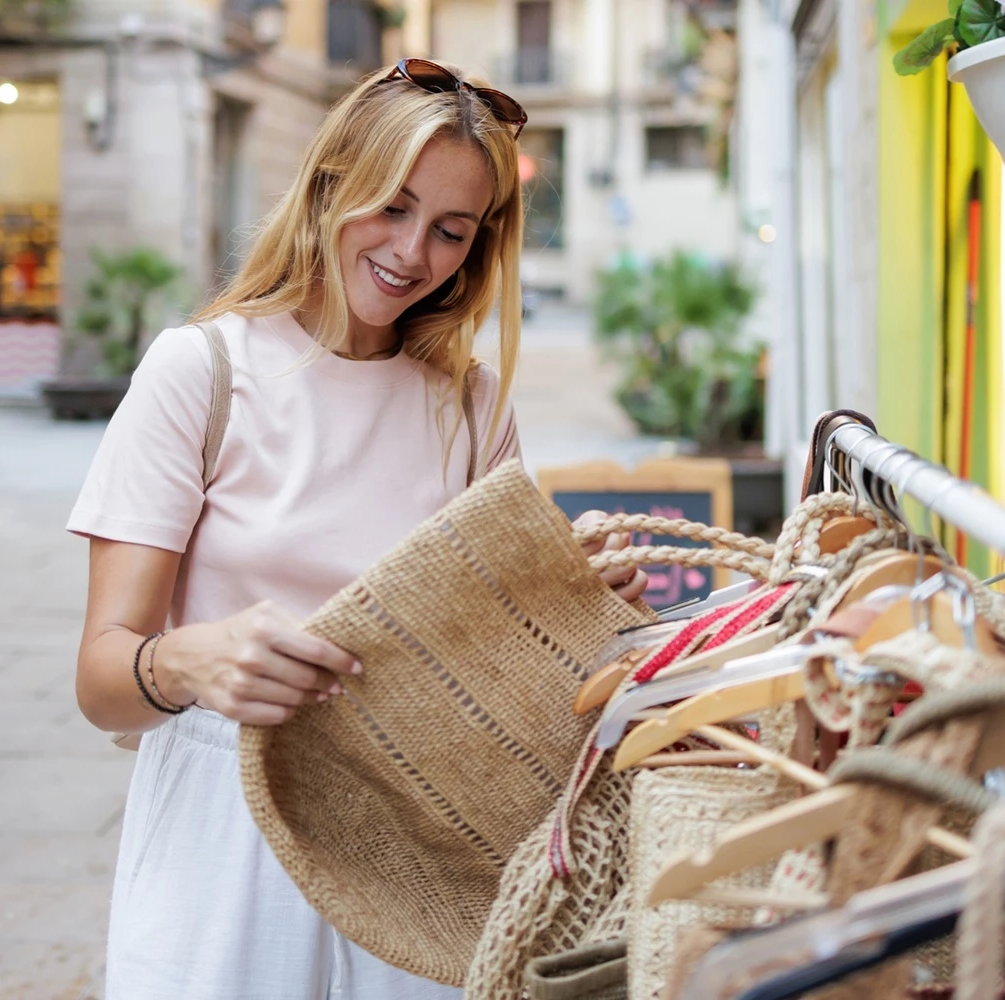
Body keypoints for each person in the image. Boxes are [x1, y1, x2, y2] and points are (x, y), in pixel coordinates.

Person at [68, 60, 649, 1000]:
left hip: (419, 821)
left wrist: (569, 603)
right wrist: (186, 663)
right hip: (229, 819)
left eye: (451, 230)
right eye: (392, 207)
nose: (413, 252)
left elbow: (487, 659)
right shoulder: (200, 373)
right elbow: (102, 681)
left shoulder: (467, 402)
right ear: (331, 185)